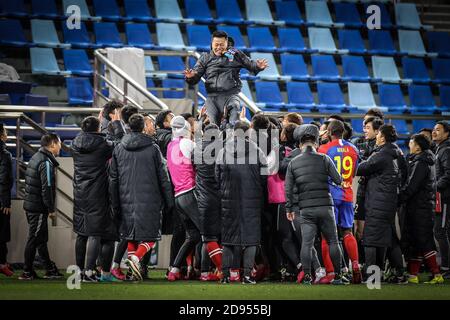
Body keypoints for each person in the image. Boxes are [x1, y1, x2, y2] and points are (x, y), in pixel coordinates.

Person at [110, 114, 174, 281]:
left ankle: (132, 271)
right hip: (150, 200)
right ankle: (136, 258)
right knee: (151, 236)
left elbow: (113, 179)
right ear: (143, 127)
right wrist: (169, 200)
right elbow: (164, 176)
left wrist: (115, 202)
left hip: (125, 199)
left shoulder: (118, 148)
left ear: (129, 127)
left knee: (131, 235)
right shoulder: (153, 148)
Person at [285, 124, 345, 285]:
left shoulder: (293, 162)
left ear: (299, 145)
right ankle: (338, 276)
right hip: (326, 206)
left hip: (305, 209)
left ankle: (306, 276)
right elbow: (338, 180)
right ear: (316, 143)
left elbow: (288, 188)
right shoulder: (324, 158)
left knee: (306, 243)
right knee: (333, 241)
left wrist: (289, 208)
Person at [166, 116, 223, 281]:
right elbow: (202, 152)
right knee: (208, 234)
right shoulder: (187, 143)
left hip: (178, 196)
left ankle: (174, 270)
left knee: (193, 236)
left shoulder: (171, 145)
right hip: (190, 193)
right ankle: (209, 272)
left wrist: (199, 122)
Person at [216, 121, 267, 284]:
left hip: (228, 200)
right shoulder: (257, 150)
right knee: (251, 239)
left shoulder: (223, 151)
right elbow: (264, 176)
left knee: (228, 239)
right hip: (251, 200)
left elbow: (217, 176)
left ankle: (225, 276)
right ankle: (246, 275)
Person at [356, 124, 407, 283]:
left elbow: (362, 168)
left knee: (370, 238)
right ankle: (400, 274)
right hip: (389, 201)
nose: (376, 137)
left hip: (378, 202)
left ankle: (373, 278)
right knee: (389, 239)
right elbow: (404, 176)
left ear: (383, 137)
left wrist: (362, 157)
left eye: (378, 135)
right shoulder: (398, 152)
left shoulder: (382, 153)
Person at [184, 30, 268, 126]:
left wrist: (258, 66)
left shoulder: (236, 55)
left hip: (231, 96)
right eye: (216, 44)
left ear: (227, 43)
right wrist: (191, 77)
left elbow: (250, 64)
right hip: (212, 98)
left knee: (233, 120)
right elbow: (196, 76)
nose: (219, 47)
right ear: (212, 44)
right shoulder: (204, 58)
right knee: (211, 127)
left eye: (222, 44)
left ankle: (232, 137)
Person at [71, 116, 120, 282]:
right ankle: (89, 272)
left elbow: (87, 135)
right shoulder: (102, 145)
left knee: (81, 233)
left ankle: (78, 272)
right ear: (98, 128)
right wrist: (115, 123)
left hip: (79, 192)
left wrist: (96, 125)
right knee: (95, 233)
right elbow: (119, 143)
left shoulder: (74, 143)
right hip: (97, 193)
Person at [318, 120, 361, 284]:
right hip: (348, 195)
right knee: (348, 232)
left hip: (330, 195)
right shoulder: (354, 148)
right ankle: (355, 266)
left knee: (326, 236)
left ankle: (330, 273)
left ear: (329, 132)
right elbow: (355, 171)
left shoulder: (324, 149)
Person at [400, 134, 444, 284]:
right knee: (416, 241)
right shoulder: (424, 160)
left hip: (420, 208)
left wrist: (399, 199)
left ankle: (437, 274)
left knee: (424, 241)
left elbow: (412, 186)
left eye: (411, 143)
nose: (409, 145)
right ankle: (413, 275)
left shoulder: (421, 163)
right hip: (420, 207)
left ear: (418, 146)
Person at [20, 133, 63, 280]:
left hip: (32, 204)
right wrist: (50, 209)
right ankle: (27, 271)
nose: (60, 146)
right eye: (59, 143)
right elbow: (47, 187)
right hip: (38, 208)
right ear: (52, 144)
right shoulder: (45, 161)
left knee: (41, 239)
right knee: (34, 238)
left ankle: (49, 269)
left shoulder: (36, 157)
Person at [193, 123, 223, 281]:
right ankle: (221, 269)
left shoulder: (197, 148)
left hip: (204, 197)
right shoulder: (223, 150)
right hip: (222, 197)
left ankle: (206, 271)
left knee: (207, 237)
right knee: (218, 237)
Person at [432, 121, 450, 277]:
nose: (434, 132)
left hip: (444, 197)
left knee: (440, 231)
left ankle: (446, 267)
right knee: (441, 231)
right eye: (433, 129)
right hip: (441, 196)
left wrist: (435, 187)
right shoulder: (440, 149)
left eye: (438, 130)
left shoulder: (446, 150)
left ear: (447, 134)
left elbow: (448, 174)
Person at [0, 123, 13, 277]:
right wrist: (5, 202)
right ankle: (2, 263)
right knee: (2, 234)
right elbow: (4, 179)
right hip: (0, 199)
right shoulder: (4, 153)